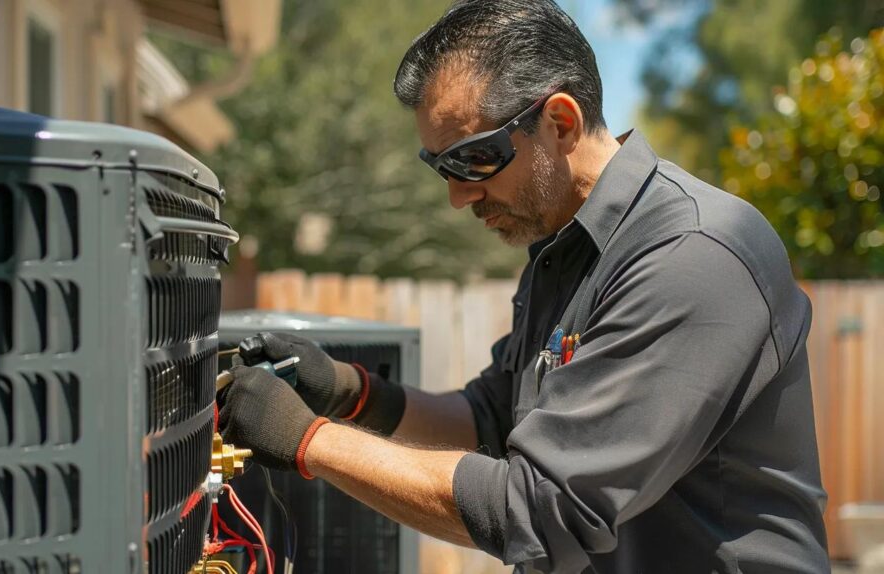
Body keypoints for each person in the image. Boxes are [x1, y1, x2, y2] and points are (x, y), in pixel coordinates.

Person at [216, 1, 830, 572]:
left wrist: (309, 441)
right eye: (440, 167)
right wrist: (352, 393)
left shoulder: (691, 253)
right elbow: (490, 417)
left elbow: (543, 509)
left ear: (560, 122)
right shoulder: (565, 249)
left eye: (473, 159)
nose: (458, 196)